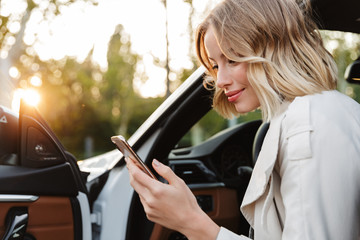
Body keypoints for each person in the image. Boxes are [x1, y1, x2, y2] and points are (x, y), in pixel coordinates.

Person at [125, 0, 360, 239]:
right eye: (216, 66)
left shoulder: (308, 122)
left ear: (273, 48)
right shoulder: (304, 114)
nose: (220, 81)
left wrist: (192, 222)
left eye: (233, 59)